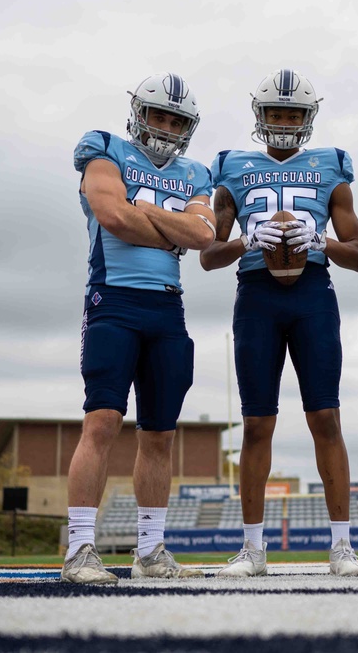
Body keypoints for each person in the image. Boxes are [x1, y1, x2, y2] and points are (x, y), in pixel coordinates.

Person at [200, 69, 358, 577]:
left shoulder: (331, 167)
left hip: (313, 294)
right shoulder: (231, 167)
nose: (285, 121)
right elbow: (208, 255)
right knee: (256, 423)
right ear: (260, 115)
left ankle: (342, 547)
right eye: (276, 112)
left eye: (293, 113)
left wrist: (318, 241)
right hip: (256, 296)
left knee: (327, 419)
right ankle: (253, 549)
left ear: (308, 117)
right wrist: (248, 242)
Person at [61, 73, 217, 585]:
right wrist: (164, 225)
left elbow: (201, 235)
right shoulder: (104, 149)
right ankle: (80, 549)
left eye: (177, 120)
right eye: (159, 115)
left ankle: (150, 552)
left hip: (167, 310)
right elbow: (111, 216)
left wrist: (145, 210)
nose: (166, 126)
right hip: (114, 302)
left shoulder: (194, 171)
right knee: (101, 422)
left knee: (160, 435)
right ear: (139, 113)